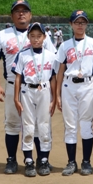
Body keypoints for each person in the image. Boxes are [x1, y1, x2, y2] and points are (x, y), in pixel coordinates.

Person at [0, 0, 58, 174]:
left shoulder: (42, 36)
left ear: (30, 15)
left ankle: (41, 160)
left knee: (39, 123)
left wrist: (54, 94)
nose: (21, 13)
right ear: (12, 15)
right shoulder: (2, 35)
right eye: (17, 11)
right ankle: (12, 160)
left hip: (39, 87)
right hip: (13, 84)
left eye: (25, 10)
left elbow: (53, 63)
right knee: (12, 123)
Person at [56, 10, 93, 176]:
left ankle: (86, 162)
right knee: (70, 125)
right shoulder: (64, 45)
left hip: (87, 85)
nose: (80, 25)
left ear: (87, 24)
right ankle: (71, 162)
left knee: (86, 125)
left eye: (83, 22)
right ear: (71, 24)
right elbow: (60, 70)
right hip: (69, 86)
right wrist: (57, 95)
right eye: (77, 22)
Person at [13, 22, 57, 176]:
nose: (36, 39)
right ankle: (29, 161)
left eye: (39, 36)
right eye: (32, 36)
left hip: (44, 90)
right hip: (27, 90)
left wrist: (54, 98)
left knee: (44, 124)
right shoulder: (23, 55)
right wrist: (16, 98)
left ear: (44, 37)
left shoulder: (51, 55)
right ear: (28, 37)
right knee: (28, 124)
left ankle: (43, 160)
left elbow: (53, 78)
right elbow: (18, 77)